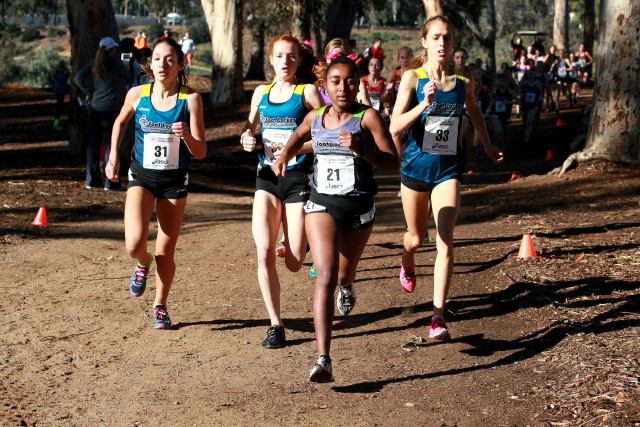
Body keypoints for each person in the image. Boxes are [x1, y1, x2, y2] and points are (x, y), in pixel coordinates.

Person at [272, 55, 399, 382]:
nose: (343, 87)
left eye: (350, 81)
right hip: (322, 204)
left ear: (358, 85)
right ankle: (323, 358)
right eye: (336, 81)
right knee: (324, 275)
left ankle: (348, 284)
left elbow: (393, 163)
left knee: (343, 274)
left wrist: (362, 148)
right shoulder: (316, 117)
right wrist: (285, 154)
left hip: (358, 208)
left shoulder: (367, 118)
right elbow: (298, 134)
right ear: (325, 86)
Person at [390, 15, 503, 342]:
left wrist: (487, 143)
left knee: (445, 239)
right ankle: (406, 256)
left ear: (453, 44)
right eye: (436, 37)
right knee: (416, 237)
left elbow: (475, 111)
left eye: (448, 38)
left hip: (447, 172)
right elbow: (395, 127)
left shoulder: (463, 83)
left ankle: (438, 316)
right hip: (414, 172)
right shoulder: (412, 78)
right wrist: (422, 105)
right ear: (425, 42)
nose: (442, 43)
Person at [105, 37, 207, 329]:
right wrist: (113, 156)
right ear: (150, 62)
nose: (163, 64)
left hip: (174, 182)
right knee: (134, 243)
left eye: (170, 59)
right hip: (142, 176)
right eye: (158, 58)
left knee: (166, 253)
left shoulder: (191, 99)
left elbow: (200, 151)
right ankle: (141, 263)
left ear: (180, 64)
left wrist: (186, 134)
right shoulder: (137, 94)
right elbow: (120, 122)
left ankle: (160, 305)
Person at [240, 35, 324, 349]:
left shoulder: (308, 93)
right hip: (266, 178)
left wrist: (292, 150)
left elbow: (326, 133)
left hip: (299, 177)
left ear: (299, 60)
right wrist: (247, 138)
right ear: (272, 59)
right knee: (262, 255)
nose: (285, 61)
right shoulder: (261, 93)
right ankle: (276, 325)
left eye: (291, 56)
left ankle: (291, 242)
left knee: (294, 261)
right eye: (280, 56)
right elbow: (249, 127)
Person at [74, 36, 132, 190]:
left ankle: (91, 180)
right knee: (111, 145)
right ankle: (111, 182)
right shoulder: (116, 64)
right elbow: (129, 78)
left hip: (94, 108)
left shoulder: (94, 64)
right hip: (112, 108)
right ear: (112, 49)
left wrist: (88, 93)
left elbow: (78, 78)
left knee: (93, 144)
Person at [53, 59, 69, 131]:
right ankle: (56, 123)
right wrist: (66, 74)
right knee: (59, 107)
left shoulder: (60, 71)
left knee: (60, 107)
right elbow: (61, 80)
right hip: (59, 91)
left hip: (60, 91)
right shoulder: (61, 72)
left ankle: (56, 123)